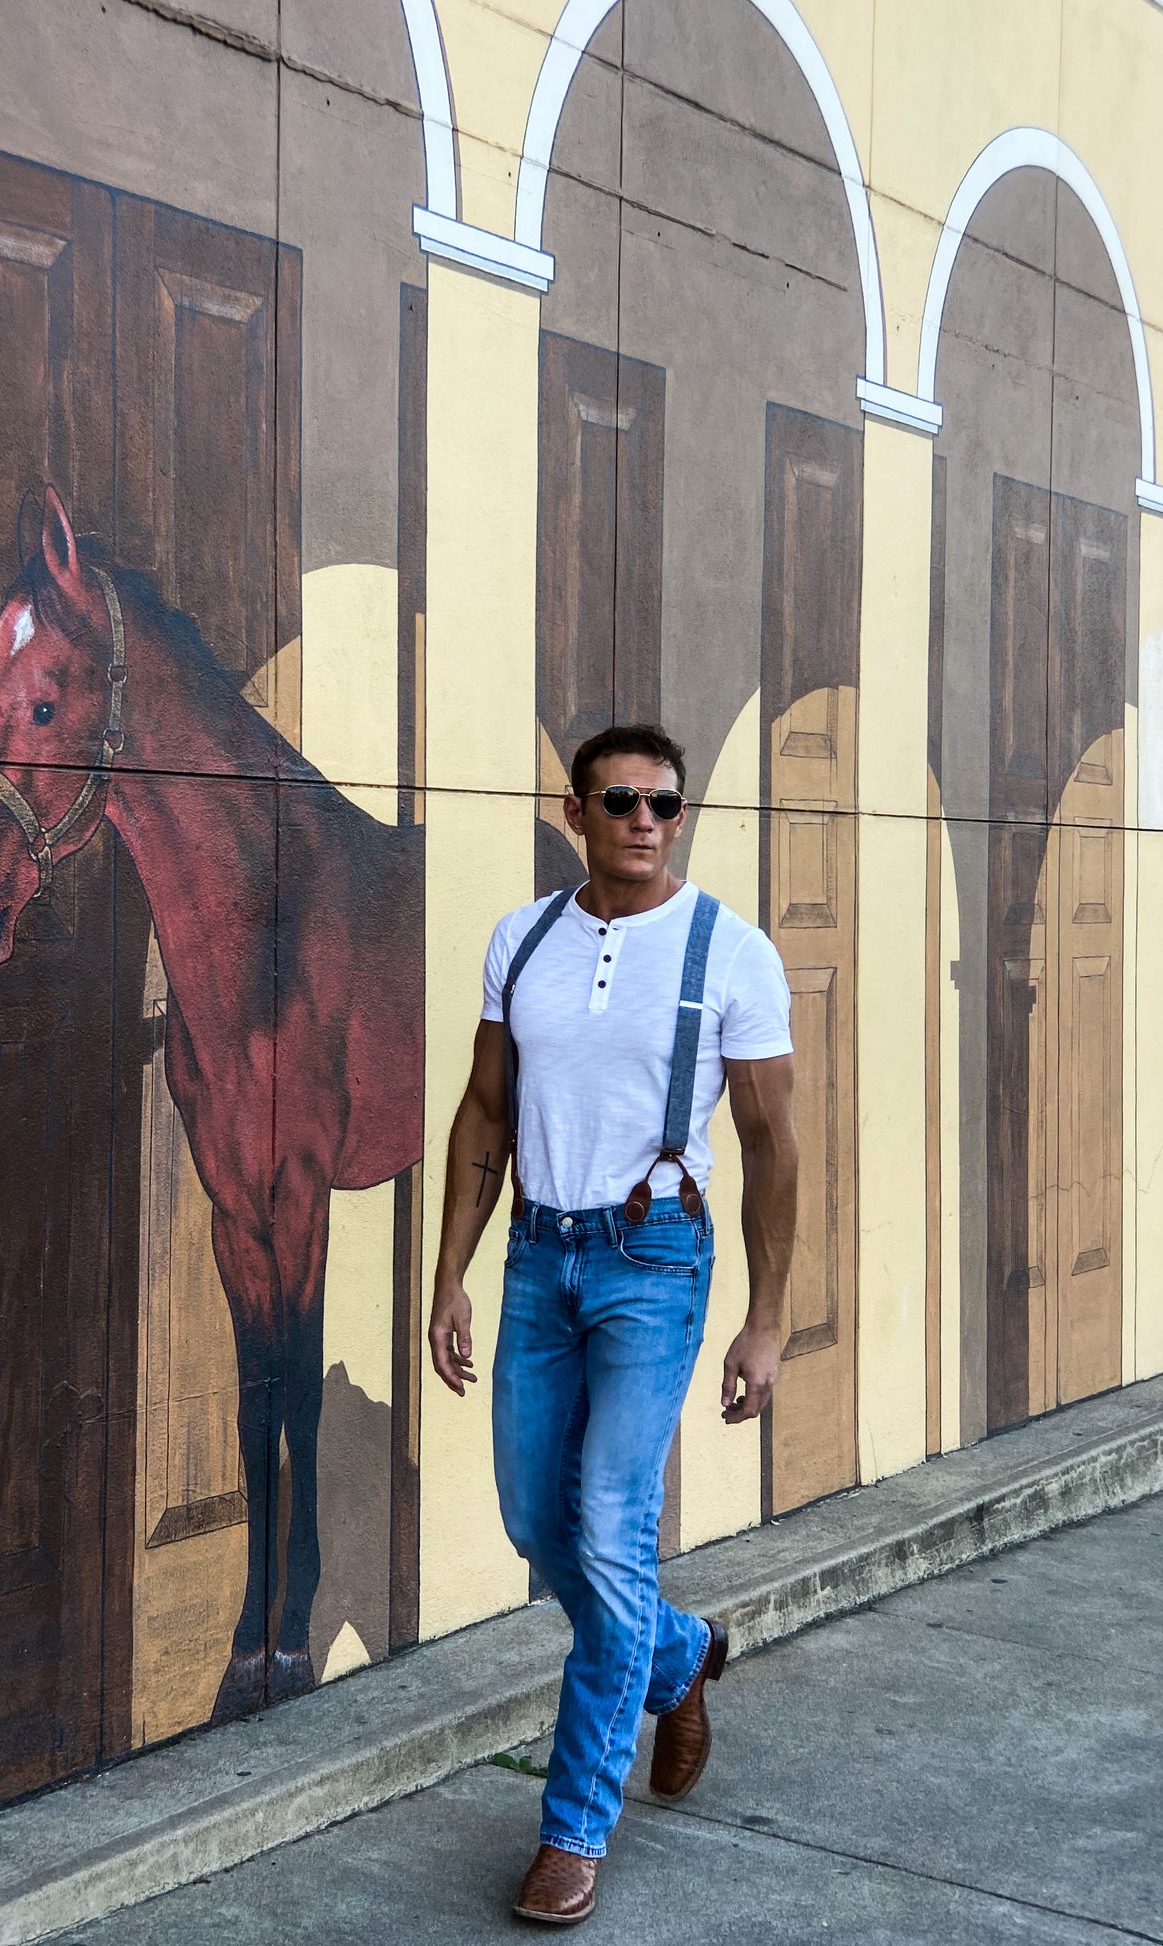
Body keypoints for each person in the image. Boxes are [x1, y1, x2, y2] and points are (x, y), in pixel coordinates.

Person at [428, 723, 798, 1926]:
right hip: (539, 1257)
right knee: (539, 1523)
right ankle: (679, 1652)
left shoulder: (728, 950)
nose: (644, 820)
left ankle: (572, 1826)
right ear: (575, 809)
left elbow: (770, 1145)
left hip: (653, 1257)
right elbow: (482, 1112)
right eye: (620, 801)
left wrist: (767, 1320)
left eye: (663, 803)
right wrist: (449, 1276)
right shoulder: (522, 939)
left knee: (605, 1525)